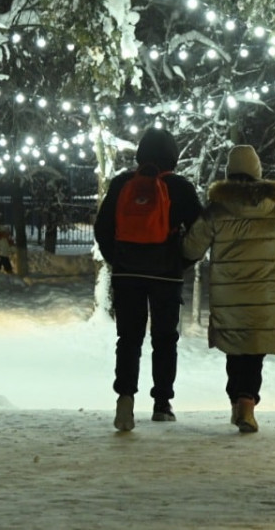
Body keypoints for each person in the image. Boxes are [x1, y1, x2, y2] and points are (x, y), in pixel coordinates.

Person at [182, 144, 275, 433]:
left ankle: (239, 401)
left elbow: (190, 248)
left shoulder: (215, 212)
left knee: (235, 353)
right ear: (258, 175)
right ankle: (246, 403)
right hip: (265, 297)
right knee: (254, 354)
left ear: (229, 174)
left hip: (230, 297)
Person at [94, 127, 201, 432]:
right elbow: (200, 231)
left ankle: (125, 399)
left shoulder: (121, 184)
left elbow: (102, 228)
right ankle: (162, 404)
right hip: (166, 275)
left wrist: (118, 259)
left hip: (128, 274)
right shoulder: (180, 187)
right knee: (165, 339)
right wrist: (181, 261)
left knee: (128, 338)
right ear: (173, 156)